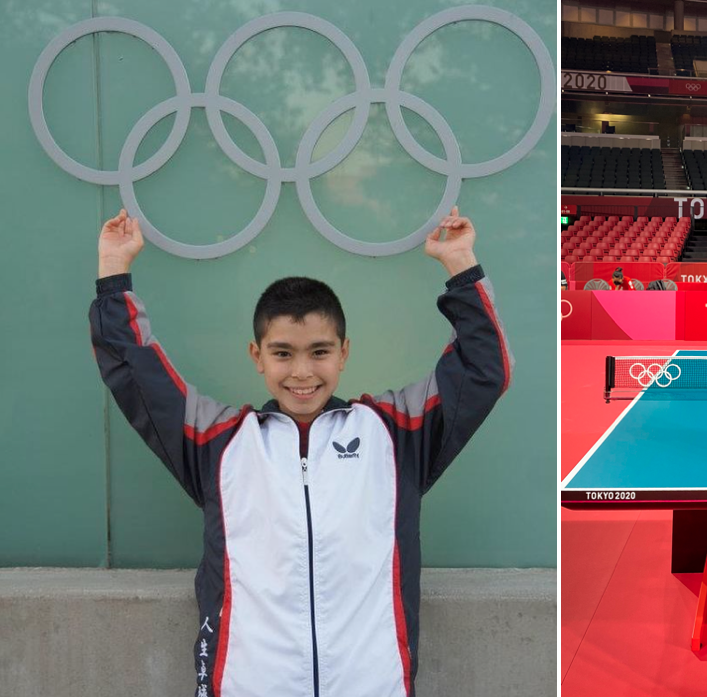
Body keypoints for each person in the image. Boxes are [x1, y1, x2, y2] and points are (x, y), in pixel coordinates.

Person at [90, 206, 512, 697]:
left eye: (319, 351)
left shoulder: (395, 436)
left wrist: (460, 264)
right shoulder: (219, 443)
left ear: (344, 352)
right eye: (283, 353)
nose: (302, 373)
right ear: (257, 356)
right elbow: (135, 374)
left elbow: (483, 370)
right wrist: (113, 272)